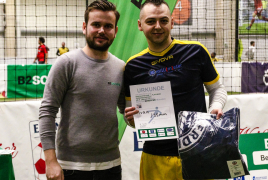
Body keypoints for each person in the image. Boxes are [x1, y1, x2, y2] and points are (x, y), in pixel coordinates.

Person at [123, 0, 227, 180]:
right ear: (140, 25)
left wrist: (214, 108)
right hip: (155, 158)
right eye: (151, 21)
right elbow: (132, 118)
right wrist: (131, 119)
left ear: (172, 21)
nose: (158, 26)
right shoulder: (132, 66)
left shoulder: (195, 51)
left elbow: (218, 89)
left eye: (163, 20)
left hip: (198, 153)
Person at [39, 1, 124, 180]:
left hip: (111, 166)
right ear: (85, 27)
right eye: (96, 24)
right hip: (71, 167)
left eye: (108, 26)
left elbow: (127, 112)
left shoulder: (121, 68)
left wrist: (133, 118)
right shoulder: (66, 63)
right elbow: (47, 111)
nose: (102, 30)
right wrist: (50, 161)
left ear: (115, 31)